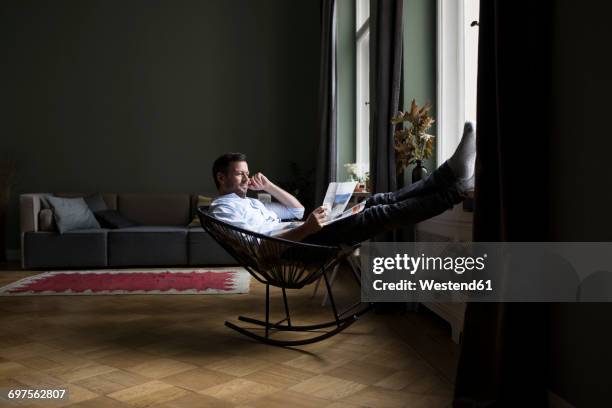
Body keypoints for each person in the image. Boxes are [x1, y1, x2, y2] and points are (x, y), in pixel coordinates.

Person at [209, 123, 476, 246]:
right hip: (296, 247)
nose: (247, 178)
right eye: (239, 174)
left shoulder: (251, 202)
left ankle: (450, 173)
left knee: (375, 200)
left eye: (247, 173)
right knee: (374, 214)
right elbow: (258, 246)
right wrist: (305, 231)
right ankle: (456, 189)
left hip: (304, 233)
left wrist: (268, 187)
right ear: (221, 178)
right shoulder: (222, 210)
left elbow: (297, 211)